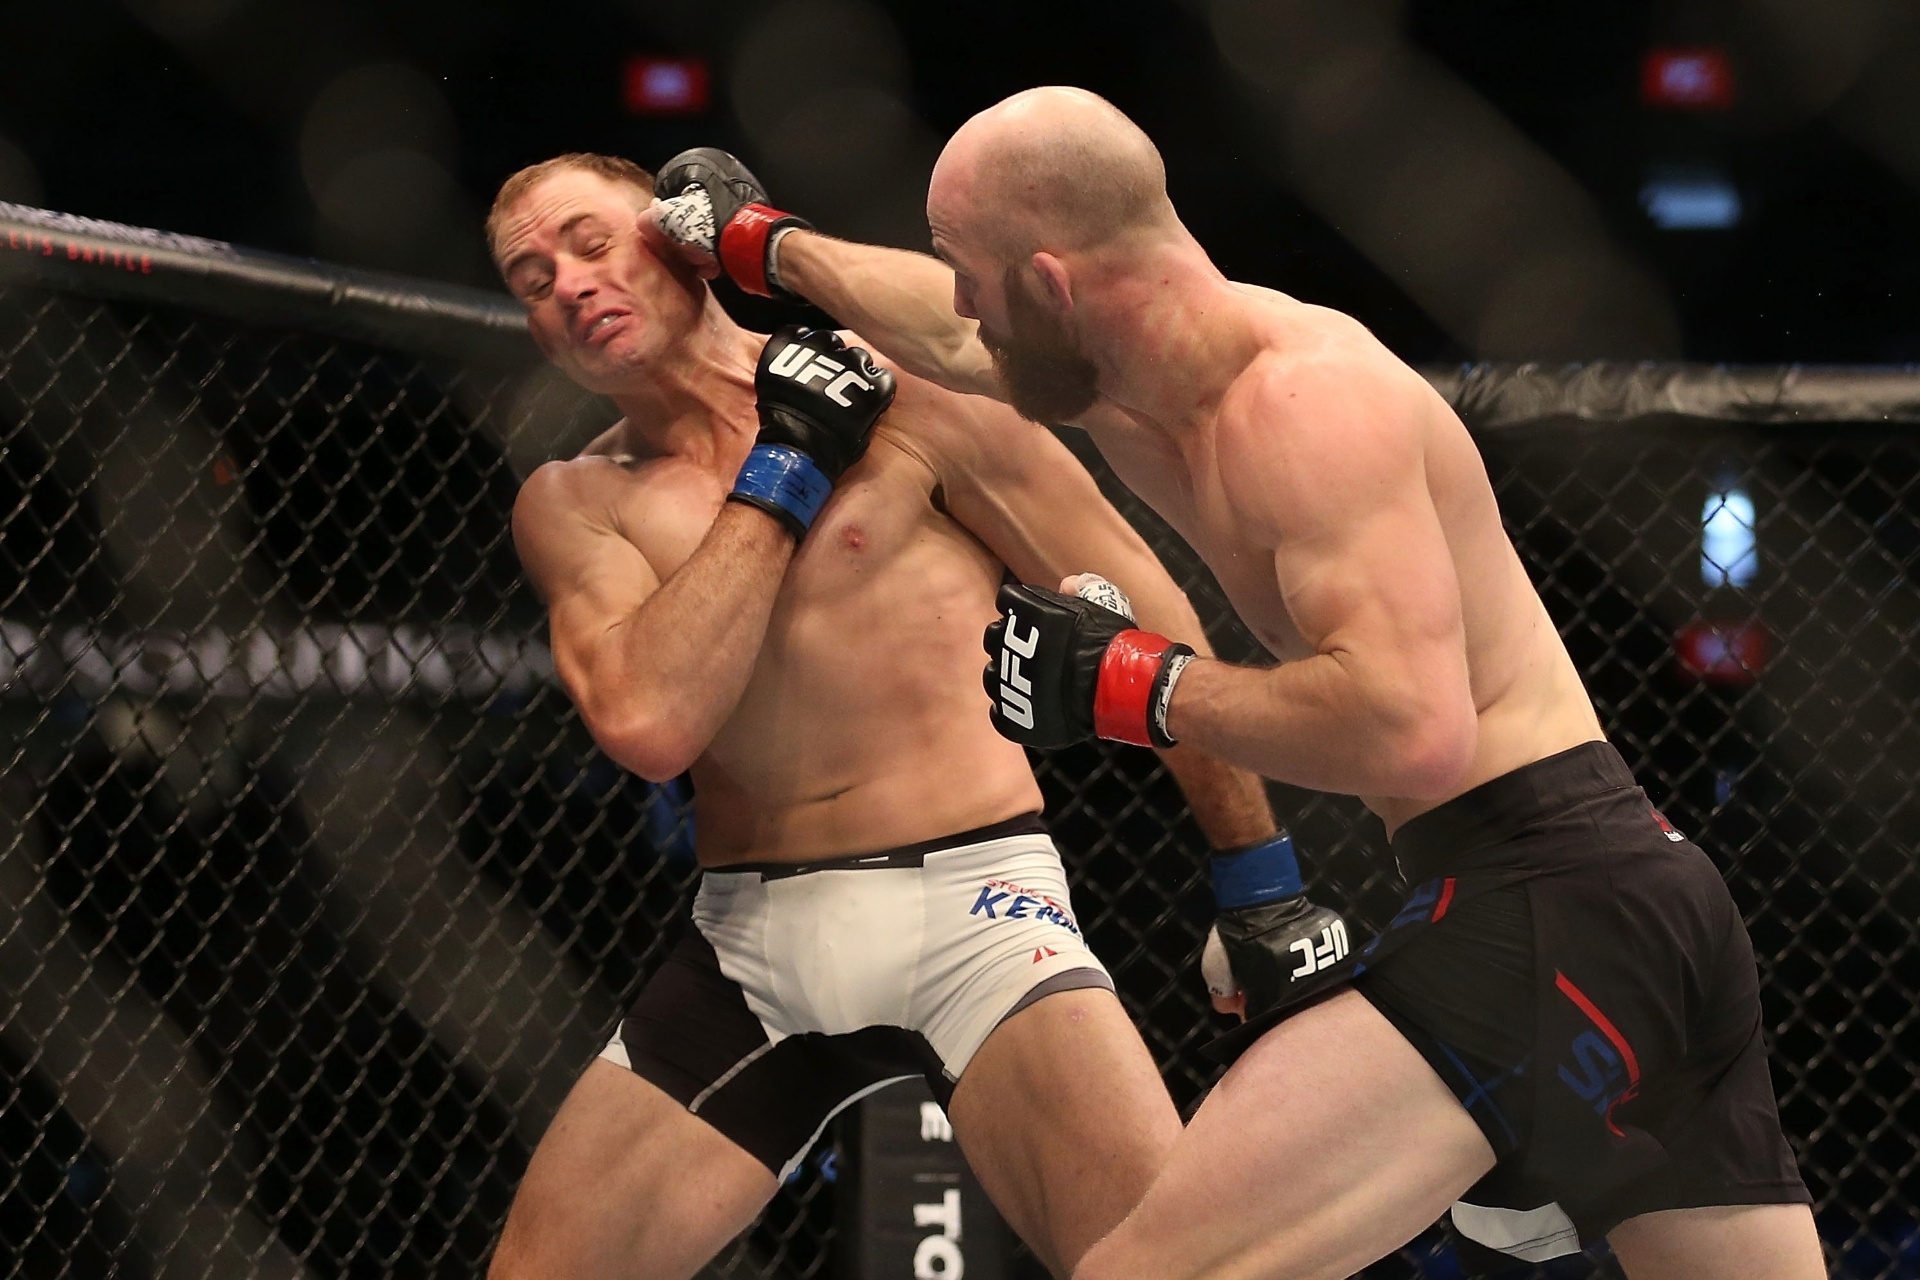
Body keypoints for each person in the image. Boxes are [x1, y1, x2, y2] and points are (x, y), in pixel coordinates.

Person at [645, 89, 1825, 1280]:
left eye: (972, 269)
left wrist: (1133, 684)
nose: (958, 300)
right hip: (1631, 894)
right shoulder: (1135, 382)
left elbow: (1412, 730)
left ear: (1053, 283)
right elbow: (951, 341)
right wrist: (766, 243)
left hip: (1543, 900)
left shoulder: (1302, 408)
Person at [482, 151, 1342, 1280]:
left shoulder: (905, 395)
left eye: (592, 242)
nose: (569, 282)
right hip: (752, 945)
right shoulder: (572, 503)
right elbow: (651, 721)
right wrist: (785, 468)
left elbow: (1144, 605)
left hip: (977, 907)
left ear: (675, 239)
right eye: (532, 277)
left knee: (1173, 1264)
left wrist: (1257, 870)